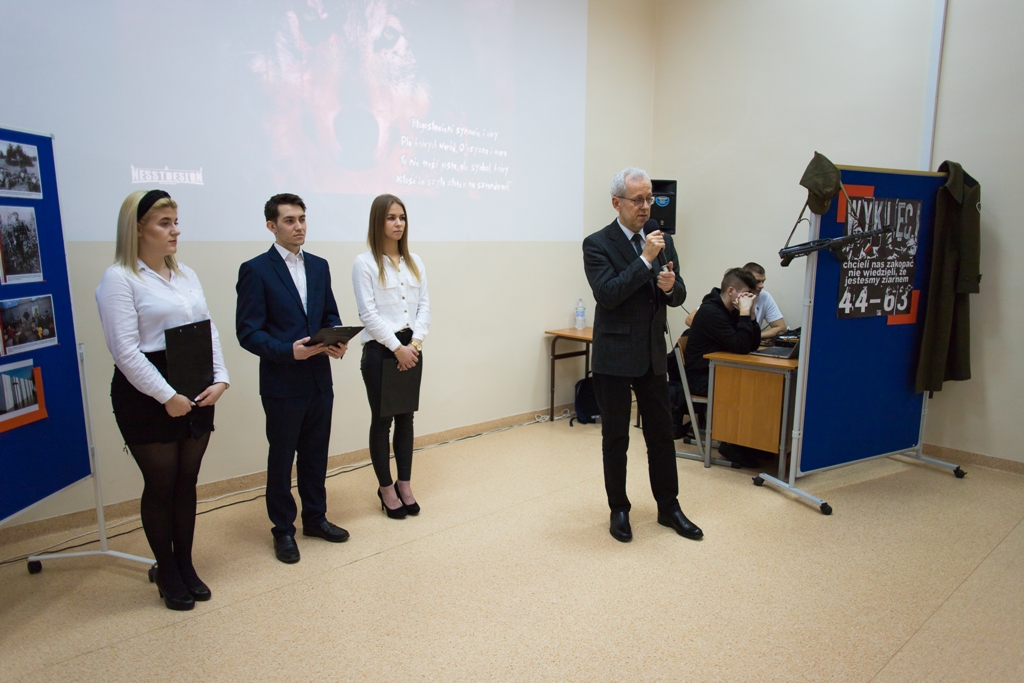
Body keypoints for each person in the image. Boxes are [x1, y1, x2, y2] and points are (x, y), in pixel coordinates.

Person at [95, 189, 230, 611]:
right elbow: (125, 351)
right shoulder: (119, 279)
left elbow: (208, 330)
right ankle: (166, 570)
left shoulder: (186, 274)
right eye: (164, 223)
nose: (175, 231)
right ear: (138, 229)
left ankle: (185, 564)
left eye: (176, 222)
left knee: (186, 482)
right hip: (146, 394)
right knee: (161, 484)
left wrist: (221, 379)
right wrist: (166, 395)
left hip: (195, 385)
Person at [582, 167, 703, 543]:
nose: (646, 206)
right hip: (614, 356)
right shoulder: (597, 244)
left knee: (661, 436)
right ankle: (619, 509)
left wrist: (670, 287)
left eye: (649, 198)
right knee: (616, 438)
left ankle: (669, 507)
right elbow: (608, 294)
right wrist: (645, 260)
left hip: (652, 354)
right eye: (638, 199)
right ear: (616, 203)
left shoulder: (661, 239)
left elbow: (678, 293)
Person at [236, 193, 350, 564]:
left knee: (315, 455)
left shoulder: (319, 266)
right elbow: (248, 333)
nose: (298, 226)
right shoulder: (256, 270)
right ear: (272, 226)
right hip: (282, 383)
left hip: (319, 379)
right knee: (282, 459)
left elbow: (329, 314)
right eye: (289, 220)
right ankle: (283, 529)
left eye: (302, 218)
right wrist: (288, 351)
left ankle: (316, 519)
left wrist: (336, 338)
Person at [352, 194, 431, 519]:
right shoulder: (364, 263)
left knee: (406, 418)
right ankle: (386, 489)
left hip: (413, 348)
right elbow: (368, 314)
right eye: (391, 218)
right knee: (382, 421)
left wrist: (415, 343)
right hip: (381, 350)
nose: (398, 223)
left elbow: (424, 306)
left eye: (402, 217)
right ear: (378, 222)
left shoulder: (415, 262)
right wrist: (397, 348)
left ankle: (405, 484)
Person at [683, 267, 762, 398]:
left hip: (719, 370)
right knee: (748, 388)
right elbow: (741, 347)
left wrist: (751, 315)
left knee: (757, 382)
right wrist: (744, 313)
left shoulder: (733, 309)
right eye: (747, 294)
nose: (750, 299)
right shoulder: (711, 312)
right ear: (731, 291)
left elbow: (752, 346)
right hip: (700, 377)